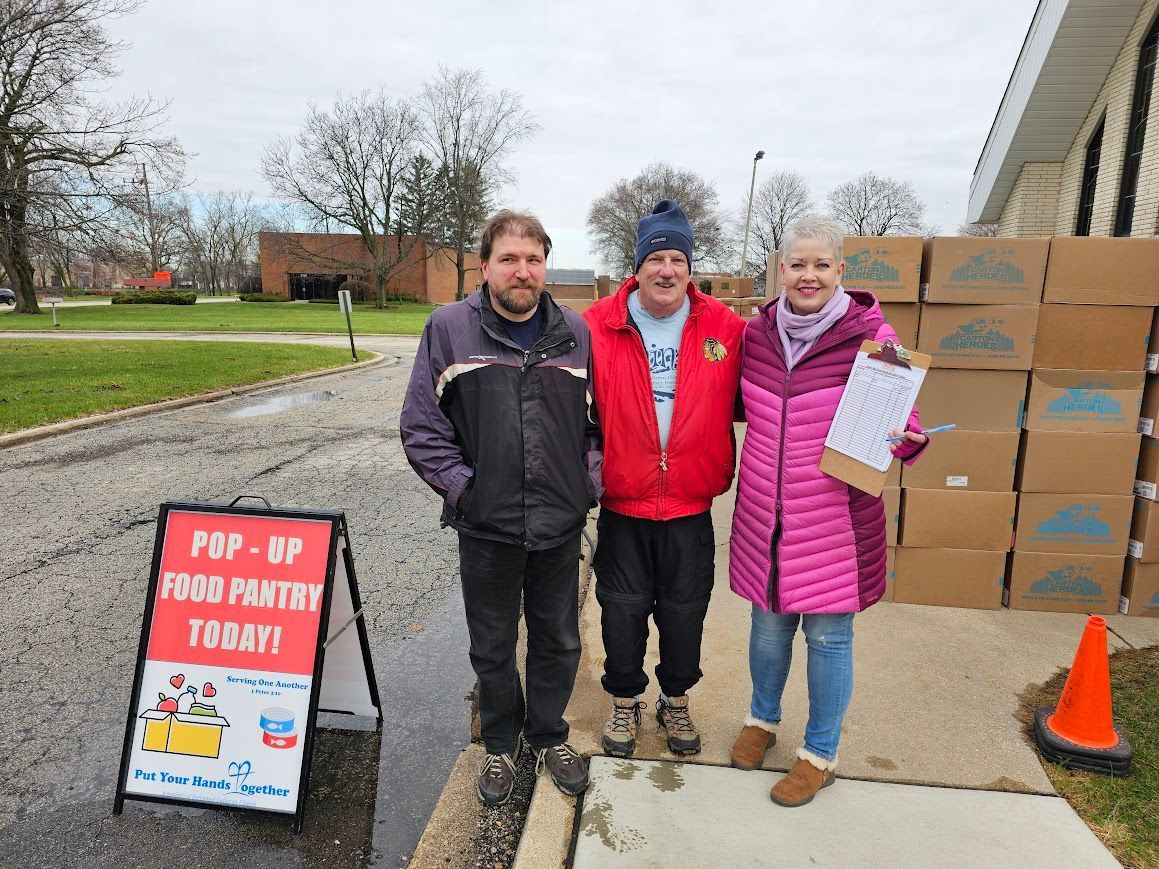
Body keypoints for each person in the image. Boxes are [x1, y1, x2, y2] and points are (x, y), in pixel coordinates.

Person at [400, 210, 601, 807]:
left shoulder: (575, 333)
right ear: (484, 266)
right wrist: (467, 490)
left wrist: (584, 486)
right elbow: (422, 426)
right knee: (491, 644)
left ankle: (547, 734)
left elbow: (598, 428)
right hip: (486, 528)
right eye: (508, 259)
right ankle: (499, 741)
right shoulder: (449, 329)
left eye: (533, 259)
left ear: (546, 267)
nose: (522, 271)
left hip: (559, 526)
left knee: (559, 639)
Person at [727, 216, 927, 807]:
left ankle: (819, 753)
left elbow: (903, 417)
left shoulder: (872, 335)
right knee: (766, 629)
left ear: (841, 270)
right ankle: (762, 720)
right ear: (780, 270)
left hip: (836, 521)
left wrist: (908, 438)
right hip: (766, 513)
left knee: (828, 638)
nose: (808, 275)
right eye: (797, 264)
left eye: (821, 265)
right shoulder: (757, 335)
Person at [584, 200, 745, 758]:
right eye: (657, 258)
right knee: (621, 612)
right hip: (625, 504)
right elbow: (564, 406)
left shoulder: (726, 328)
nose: (668, 270)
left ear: (690, 266)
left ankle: (675, 698)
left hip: (689, 506)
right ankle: (624, 701)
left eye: (679, 257)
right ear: (639, 265)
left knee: (685, 614)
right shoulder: (597, 325)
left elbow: (784, 384)